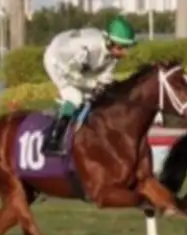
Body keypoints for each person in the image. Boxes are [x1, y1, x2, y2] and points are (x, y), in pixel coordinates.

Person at [42, 17, 137, 154]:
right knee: (76, 97)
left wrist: (105, 85)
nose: (125, 53)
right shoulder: (87, 49)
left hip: (80, 69)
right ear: (110, 42)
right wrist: (92, 84)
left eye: (126, 48)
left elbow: (105, 76)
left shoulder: (111, 53)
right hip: (58, 63)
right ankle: (54, 139)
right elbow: (72, 75)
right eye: (121, 47)